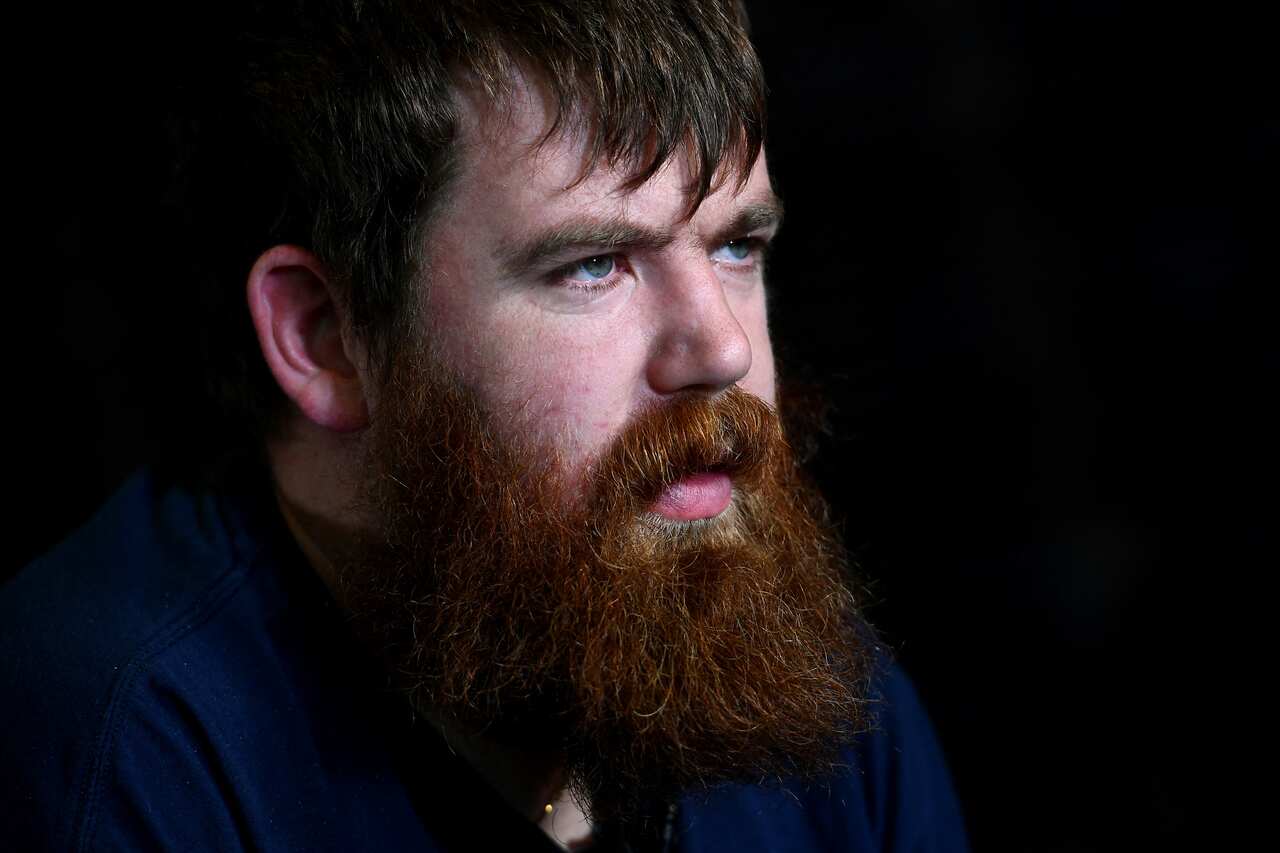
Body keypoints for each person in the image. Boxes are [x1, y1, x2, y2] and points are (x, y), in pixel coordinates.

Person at [0, 1, 968, 850]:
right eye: (592, 263)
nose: (718, 351)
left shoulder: (785, 665)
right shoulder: (106, 743)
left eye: (735, 246)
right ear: (326, 337)